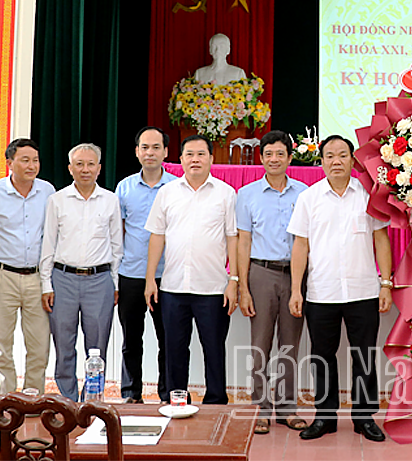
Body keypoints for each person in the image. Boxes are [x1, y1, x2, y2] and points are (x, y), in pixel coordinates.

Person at [287, 135, 393, 442]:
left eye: (342, 155)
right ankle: (325, 417)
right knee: (322, 356)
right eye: (330, 156)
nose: (336, 161)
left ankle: (364, 418)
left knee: (364, 356)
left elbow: (381, 241)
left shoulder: (367, 195)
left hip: (363, 291)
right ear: (321, 162)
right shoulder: (309, 198)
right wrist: (297, 289)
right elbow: (300, 245)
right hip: (321, 293)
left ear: (352, 160)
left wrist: (385, 283)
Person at [145, 135, 239, 404]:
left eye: (201, 154)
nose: (195, 159)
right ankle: (177, 402)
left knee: (214, 349)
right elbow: (157, 236)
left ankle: (216, 403)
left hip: (213, 288)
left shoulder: (225, 193)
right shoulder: (167, 193)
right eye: (189, 154)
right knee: (174, 350)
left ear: (211, 158)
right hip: (173, 288)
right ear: (181, 159)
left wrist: (233, 280)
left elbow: (233, 237)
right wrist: (151, 278)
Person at [236, 131, 309, 434]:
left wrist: (299, 284)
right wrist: (243, 287)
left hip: (295, 275)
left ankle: (288, 408)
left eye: (280, 154)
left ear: (290, 158)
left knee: (290, 345)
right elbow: (243, 241)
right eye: (269, 154)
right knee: (260, 345)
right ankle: (260, 408)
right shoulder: (247, 195)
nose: (274, 159)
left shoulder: (304, 194)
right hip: (261, 273)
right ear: (261, 158)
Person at [40, 143, 123, 401]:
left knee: (96, 347)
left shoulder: (110, 200)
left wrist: (115, 283)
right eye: (79, 164)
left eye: (90, 164)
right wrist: (46, 284)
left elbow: (117, 245)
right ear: (70, 168)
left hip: (100, 281)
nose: (85, 169)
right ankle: (67, 399)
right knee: (64, 345)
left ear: (99, 168)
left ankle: (92, 400)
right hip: (62, 279)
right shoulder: (57, 200)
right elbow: (48, 244)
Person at [0, 139, 56, 394]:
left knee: (39, 344)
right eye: (25, 160)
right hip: (1, 275)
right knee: (2, 344)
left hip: (35, 277)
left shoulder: (47, 191)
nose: (32, 165)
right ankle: (7, 397)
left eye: (35, 160)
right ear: (9, 163)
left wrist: (48, 282)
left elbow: (51, 238)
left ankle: (34, 397)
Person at [115, 127, 177, 404]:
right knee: (131, 339)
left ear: (165, 152)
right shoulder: (124, 187)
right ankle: (131, 393)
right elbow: (120, 231)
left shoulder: (178, 187)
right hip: (132, 273)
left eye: (155, 147)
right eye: (144, 147)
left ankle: (167, 394)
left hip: (169, 275)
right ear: (137, 151)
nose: (149, 153)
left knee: (169, 339)